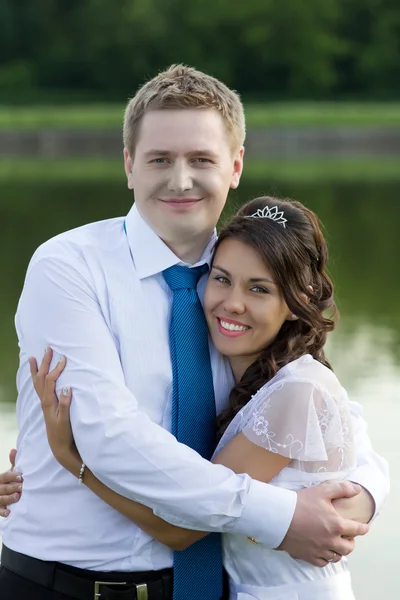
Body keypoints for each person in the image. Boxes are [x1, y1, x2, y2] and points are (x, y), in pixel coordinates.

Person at [0, 65, 388, 600]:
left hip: (212, 587)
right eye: (160, 159)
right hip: (68, 585)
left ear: (235, 167)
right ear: (129, 166)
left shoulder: (246, 284)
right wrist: (283, 515)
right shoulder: (69, 266)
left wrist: (363, 490)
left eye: (201, 160)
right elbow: (109, 438)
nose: (180, 179)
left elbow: (320, 400)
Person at [27, 195, 364, 599]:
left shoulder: (295, 392)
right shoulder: (262, 379)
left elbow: (180, 531)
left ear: (299, 301)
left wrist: (72, 461)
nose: (232, 303)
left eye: (259, 289)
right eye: (221, 278)